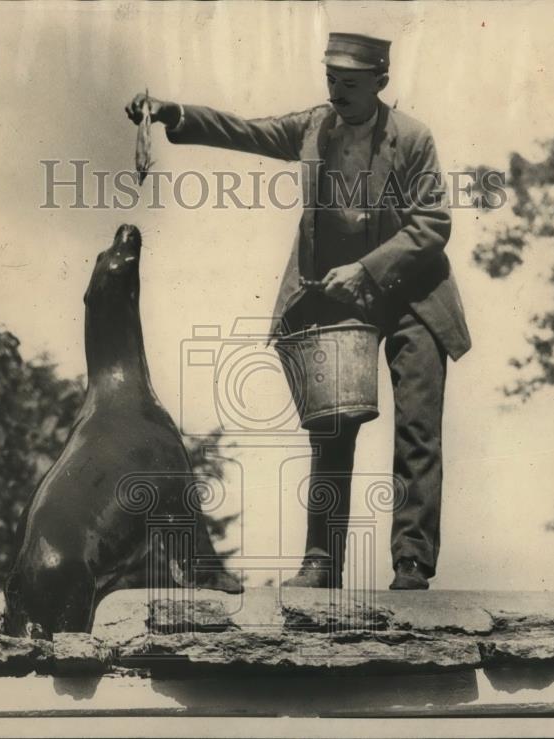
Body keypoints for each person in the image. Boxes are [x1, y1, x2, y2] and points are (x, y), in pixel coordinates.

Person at [125, 33, 471, 590]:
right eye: (331, 78)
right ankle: (320, 561)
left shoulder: (412, 139)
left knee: (417, 428)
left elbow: (432, 225)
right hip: (336, 297)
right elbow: (247, 131)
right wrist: (174, 113)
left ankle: (411, 562)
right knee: (330, 428)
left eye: (351, 83)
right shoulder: (315, 127)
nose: (337, 92)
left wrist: (367, 269)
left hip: (413, 296)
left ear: (381, 83)